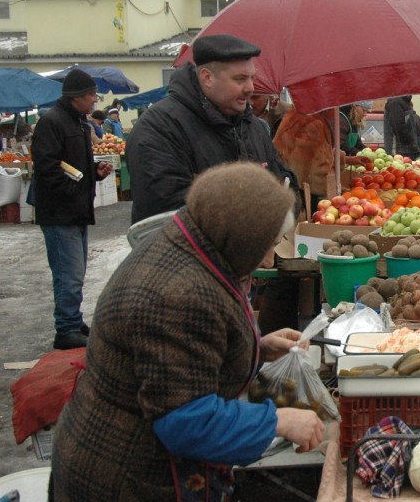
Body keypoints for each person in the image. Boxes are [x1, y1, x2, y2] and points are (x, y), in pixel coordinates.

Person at [51, 162, 326, 500]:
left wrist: (254, 348)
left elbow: (181, 358)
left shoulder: (193, 242)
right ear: (238, 237)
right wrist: (276, 422)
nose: (269, 260)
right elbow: (184, 420)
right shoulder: (178, 294)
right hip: (126, 476)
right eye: (267, 244)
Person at [126, 34, 298, 225]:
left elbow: (284, 182)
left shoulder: (253, 126)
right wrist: (251, 200)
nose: (250, 88)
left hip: (250, 252)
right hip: (187, 253)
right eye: (240, 79)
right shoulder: (159, 128)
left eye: (252, 78)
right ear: (207, 77)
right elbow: (163, 211)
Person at [31, 69, 113, 350]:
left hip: (75, 210)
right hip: (60, 212)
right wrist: (75, 192)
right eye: (91, 95)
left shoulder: (78, 123)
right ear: (77, 97)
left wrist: (94, 172)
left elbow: (72, 167)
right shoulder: (52, 123)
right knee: (69, 273)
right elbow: (47, 169)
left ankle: (73, 321)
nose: (94, 100)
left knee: (75, 272)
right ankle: (66, 328)